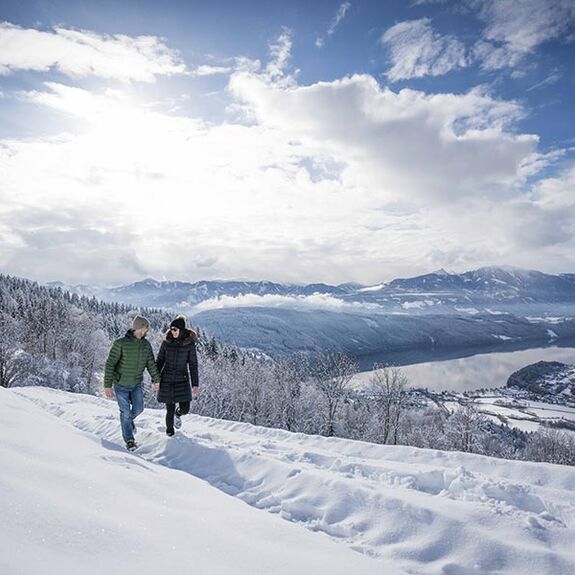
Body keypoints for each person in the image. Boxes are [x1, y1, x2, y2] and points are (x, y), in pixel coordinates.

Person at [103, 315, 161, 451]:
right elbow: (110, 364)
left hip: (136, 385)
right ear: (139, 328)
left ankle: (127, 422)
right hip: (120, 385)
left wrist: (156, 380)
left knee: (139, 409)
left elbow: (151, 364)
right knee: (125, 413)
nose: (147, 331)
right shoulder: (120, 343)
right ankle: (129, 440)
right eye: (146, 328)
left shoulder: (146, 345)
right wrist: (107, 385)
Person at [153, 315, 200, 436]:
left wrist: (195, 384)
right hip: (167, 380)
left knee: (185, 409)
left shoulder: (189, 344)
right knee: (169, 408)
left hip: (182, 380)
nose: (172, 331)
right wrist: (155, 379)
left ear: (181, 330)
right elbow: (159, 362)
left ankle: (177, 415)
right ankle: (170, 435)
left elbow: (193, 365)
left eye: (175, 329)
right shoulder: (166, 343)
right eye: (171, 329)